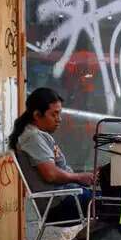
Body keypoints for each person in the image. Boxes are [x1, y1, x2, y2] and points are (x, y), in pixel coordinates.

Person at [9, 87, 95, 221]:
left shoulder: (37, 135)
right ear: (37, 115)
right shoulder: (32, 137)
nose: (59, 119)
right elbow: (51, 175)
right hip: (58, 204)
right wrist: (78, 177)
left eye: (59, 114)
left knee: (112, 199)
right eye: (54, 114)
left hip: (66, 196)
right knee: (115, 204)